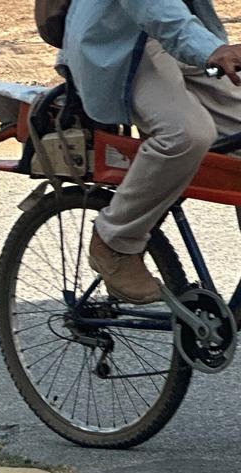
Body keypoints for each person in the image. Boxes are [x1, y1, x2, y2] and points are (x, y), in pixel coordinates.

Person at [64, 0, 241, 303]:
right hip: (122, 43)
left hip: (180, 33)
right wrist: (210, 49)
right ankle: (113, 240)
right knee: (185, 134)